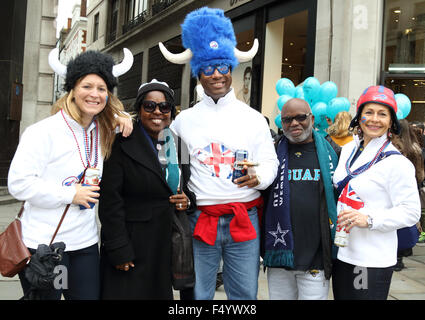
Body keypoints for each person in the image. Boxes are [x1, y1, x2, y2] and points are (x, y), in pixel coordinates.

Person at [159, 7, 279, 300]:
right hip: (200, 219)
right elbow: (169, 164)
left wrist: (258, 177)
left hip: (244, 217)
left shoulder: (253, 118)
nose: (217, 75)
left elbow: (271, 162)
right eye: (209, 69)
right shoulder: (183, 121)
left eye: (222, 67)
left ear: (231, 69)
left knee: (244, 294)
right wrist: (177, 191)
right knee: (198, 294)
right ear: (199, 73)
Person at [7, 48, 134, 300]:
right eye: (87, 86)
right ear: (73, 89)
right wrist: (69, 194)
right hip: (46, 245)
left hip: (84, 245)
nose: (94, 94)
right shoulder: (43, 132)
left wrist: (122, 115)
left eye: (102, 88)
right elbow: (18, 184)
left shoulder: (103, 129)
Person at [98, 79, 196, 300]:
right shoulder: (121, 143)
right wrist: (118, 248)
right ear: (139, 109)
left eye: (164, 107)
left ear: (171, 111)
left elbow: (188, 188)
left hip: (165, 245)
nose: (157, 112)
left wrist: (186, 200)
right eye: (149, 106)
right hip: (131, 245)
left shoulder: (179, 145)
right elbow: (110, 202)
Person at [332, 85, 421, 300]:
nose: (374, 119)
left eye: (383, 114)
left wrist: (369, 219)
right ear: (359, 117)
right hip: (342, 252)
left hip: (371, 259)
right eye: (368, 112)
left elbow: (411, 212)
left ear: (391, 122)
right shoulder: (347, 150)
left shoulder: (397, 162)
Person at [262, 98, 339, 300]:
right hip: (280, 256)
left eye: (300, 117)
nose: (294, 123)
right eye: (287, 119)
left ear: (311, 119)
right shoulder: (271, 154)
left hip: (316, 259)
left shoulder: (333, 154)